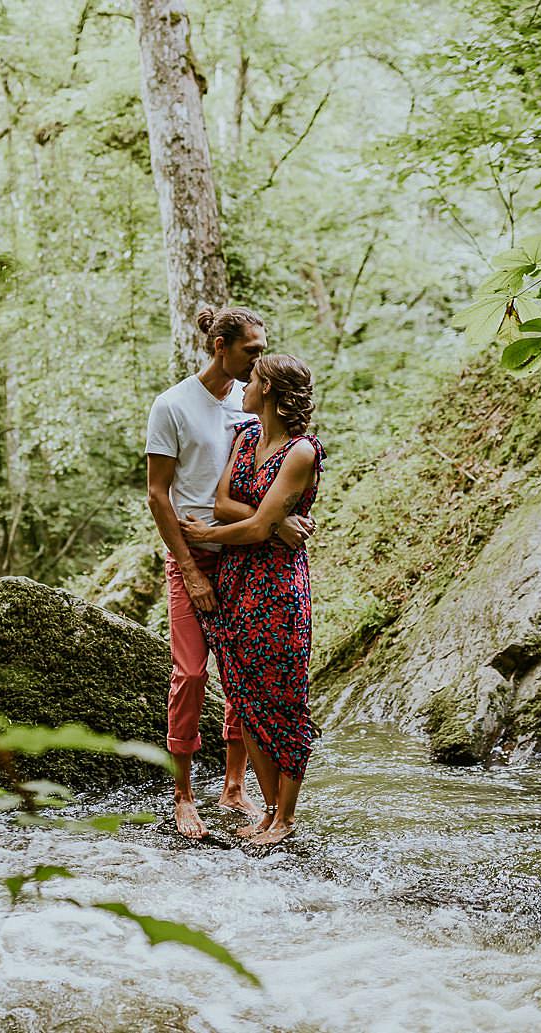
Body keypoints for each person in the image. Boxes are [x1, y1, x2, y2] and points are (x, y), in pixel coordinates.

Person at [145, 308, 314, 840]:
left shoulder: (252, 413)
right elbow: (156, 494)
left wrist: (277, 522)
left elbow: (274, 491)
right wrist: (192, 571)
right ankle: (183, 795)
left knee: (243, 677)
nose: (258, 358)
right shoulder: (172, 406)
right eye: (252, 351)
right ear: (220, 346)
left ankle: (235, 786)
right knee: (192, 674)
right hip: (193, 554)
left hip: (248, 561)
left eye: (262, 352)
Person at [181, 354, 324, 847]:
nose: (244, 386)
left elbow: (253, 524)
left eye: (253, 380)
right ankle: (267, 813)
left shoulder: (302, 451)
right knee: (244, 696)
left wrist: (245, 526)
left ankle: (285, 819)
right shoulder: (244, 439)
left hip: (278, 587)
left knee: (282, 699)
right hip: (235, 580)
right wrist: (271, 522)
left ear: (271, 390)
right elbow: (225, 505)